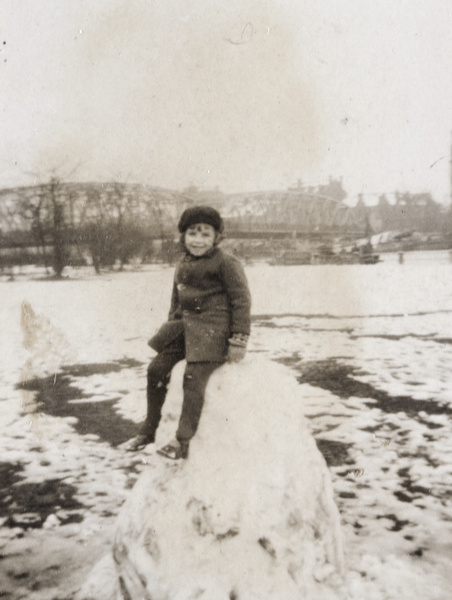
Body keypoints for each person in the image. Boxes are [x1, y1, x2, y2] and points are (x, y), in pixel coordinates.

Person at [126, 205, 252, 459]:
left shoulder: (226, 263)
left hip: (213, 333)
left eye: (206, 234)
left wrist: (238, 339)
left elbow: (241, 300)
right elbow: (176, 300)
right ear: (183, 236)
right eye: (193, 233)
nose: (198, 240)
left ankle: (182, 441)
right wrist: (171, 328)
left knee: (193, 378)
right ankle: (149, 429)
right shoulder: (182, 264)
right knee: (156, 370)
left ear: (216, 238)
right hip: (184, 330)